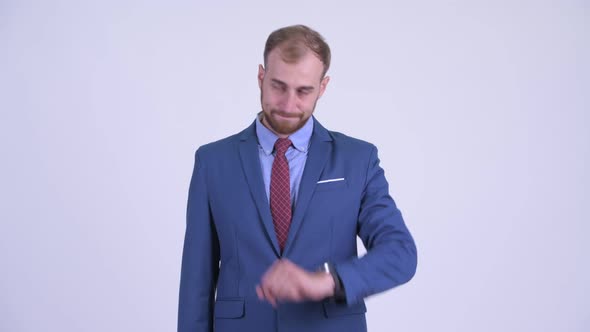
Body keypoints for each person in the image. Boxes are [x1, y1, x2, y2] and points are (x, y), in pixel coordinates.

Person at [178, 24, 417, 332]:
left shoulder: (358, 159)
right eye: (278, 86)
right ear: (261, 77)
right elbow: (196, 283)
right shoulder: (212, 162)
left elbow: (400, 253)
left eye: (303, 91)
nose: (289, 104)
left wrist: (329, 280)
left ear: (323, 86)